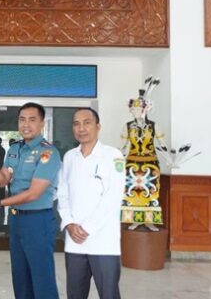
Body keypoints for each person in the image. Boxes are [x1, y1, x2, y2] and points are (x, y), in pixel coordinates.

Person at [0, 102, 61, 299]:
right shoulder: (14, 149)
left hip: (38, 221)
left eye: (32, 120)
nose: (26, 124)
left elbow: (34, 193)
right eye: (22, 120)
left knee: (42, 277)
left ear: (42, 123)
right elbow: (2, 180)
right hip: (16, 220)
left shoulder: (48, 153)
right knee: (20, 276)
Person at [57, 108, 126, 299]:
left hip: (103, 241)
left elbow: (113, 197)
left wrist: (87, 228)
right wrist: (69, 223)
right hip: (75, 242)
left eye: (87, 122)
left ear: (98, 126)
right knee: (75, 294)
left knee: (109, 294)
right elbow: (63, 193)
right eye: (76, 124)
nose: (81, 128)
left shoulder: (113, 156)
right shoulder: (69, 157)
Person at [120, 89, 166, 231]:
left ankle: (149, 221)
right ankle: (135, 219)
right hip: (131, 164)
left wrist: (170, 159)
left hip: (151, 164)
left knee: (151, 193)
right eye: (132, 109)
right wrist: (118, 158)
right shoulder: (127, 126)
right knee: (132, 192)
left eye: (137, 109)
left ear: (145, 109)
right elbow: (123, 146)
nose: (133, 112)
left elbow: (162, 145)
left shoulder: (153, 126)